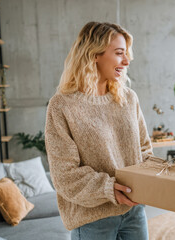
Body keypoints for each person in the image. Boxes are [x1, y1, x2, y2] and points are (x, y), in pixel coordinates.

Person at [45, 22, 154, 240]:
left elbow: (144, 151)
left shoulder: (128, 98)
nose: (126, 60)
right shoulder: (62, 106)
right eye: (119, 53)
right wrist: (110, 188)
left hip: (134, 212)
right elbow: (64, 175)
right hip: (92, 220)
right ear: (95, 54)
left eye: (127, 54)